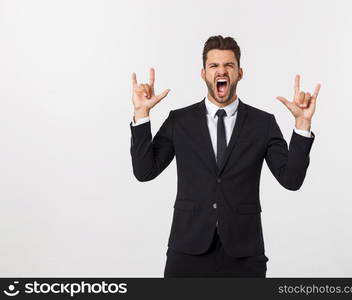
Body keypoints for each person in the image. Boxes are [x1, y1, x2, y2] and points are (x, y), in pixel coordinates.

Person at [129, 35, 320, 277]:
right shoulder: (179, 121)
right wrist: (141, 115)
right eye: (214, 66)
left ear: (240, 73)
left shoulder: (263, 124)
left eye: (229, 65)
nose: (222, 71)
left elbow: (291, 180)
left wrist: (303, 124)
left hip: (244, 254)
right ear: (203, 74)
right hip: (187, 249)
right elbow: (144, 171)